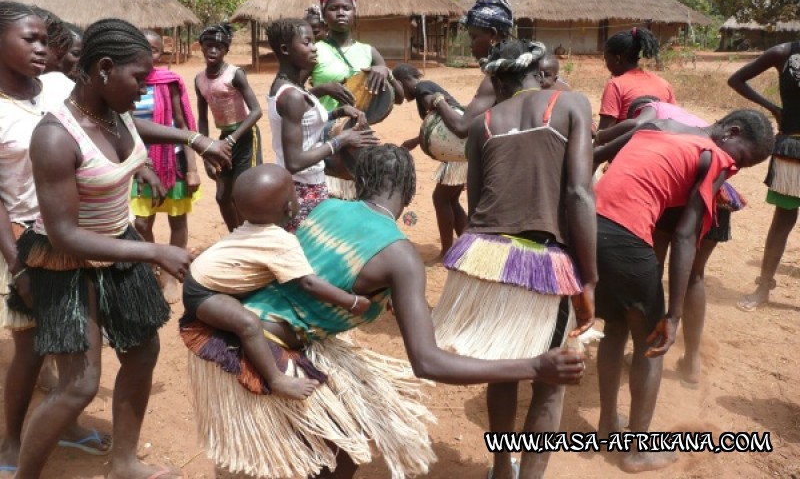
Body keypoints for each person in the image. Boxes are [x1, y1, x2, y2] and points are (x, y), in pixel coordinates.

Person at [181, 144, 587, 479]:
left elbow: (319, 273)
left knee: (342, 446)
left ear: (359, 183)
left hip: (226, 328)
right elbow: (428, 363)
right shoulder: (400, 256)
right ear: (409, 192)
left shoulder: (322, 208)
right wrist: (535, 366)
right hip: (266, 350)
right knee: (339, 454)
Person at [11, 18, 230, 479]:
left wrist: (195, 138)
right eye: (139, 79)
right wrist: (155, 253)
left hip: (117, 243)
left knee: (142, 350)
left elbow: (138, 126)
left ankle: (125, 462)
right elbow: (66, 234)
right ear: (105, 69)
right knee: (79, 386)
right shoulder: (54, 137)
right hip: (66, 260)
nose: (145, 90)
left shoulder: (114, 110)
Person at [431, 40, 597, 479]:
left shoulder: (483, 122)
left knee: (502, 370)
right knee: (550, 383)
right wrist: (590, 279)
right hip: (542, 260)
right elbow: (580, 193)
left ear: (499, 81)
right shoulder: (572, 103)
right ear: (539, 73)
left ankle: (502, 468)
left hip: (484, 257)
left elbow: (478, 195)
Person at [593, 110, 773, 473]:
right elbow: (686, 235)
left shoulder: (657, 126)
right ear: (731, 132)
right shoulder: (715, 156)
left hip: (590, 223)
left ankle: (608, 423)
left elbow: (596, 155)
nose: (736, 167)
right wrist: (673, 315)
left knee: (614, 327)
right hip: (627, 235)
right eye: (743, 159)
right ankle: (635, 452)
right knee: (653, 343)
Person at [0, 2, 111, 474]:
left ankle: (64, 423)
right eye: (30, 40)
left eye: (46, 40)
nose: (42, 49)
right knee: (32, 347)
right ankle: (10, 444)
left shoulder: (63, 89)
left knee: (74, 342)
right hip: (27, 241)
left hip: (81, 237)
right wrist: (17, 263)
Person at [184, 164, 372, 400]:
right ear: (290, 206)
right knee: (249, 324)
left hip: (201, 276)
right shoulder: (281, 242)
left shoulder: (252, 228)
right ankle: (277, 379)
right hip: (203, 294)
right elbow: (309, 284)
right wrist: (351, 301)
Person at [595, 96, 747, 387]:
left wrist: (599, 135)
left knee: (651, 263)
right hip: (716, 192)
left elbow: (635, 128)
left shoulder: (653, 115)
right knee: (695, 276)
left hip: (685, 186)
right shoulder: (701, 126)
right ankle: (691, 361)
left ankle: (644, 338)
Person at [266, 18, 378, 232]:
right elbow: (295, 161)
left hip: (306, 184)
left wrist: (337, 112)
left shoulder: (289, 86)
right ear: (285, 49)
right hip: (301, 189)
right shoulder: (292, 96)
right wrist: (341, 140)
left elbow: (305, 124)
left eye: (313, 41)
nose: (314, 48)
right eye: (306, 42)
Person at [728, 42, 800, 310]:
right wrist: (774, 108)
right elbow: (737, 80)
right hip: (794, 149)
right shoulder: (783, 53)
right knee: (783, 220)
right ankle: (764, 286)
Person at [131, 30, 201, 303]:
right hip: (140, 163)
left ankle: (171, 275)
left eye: (155, 50)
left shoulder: (169, 81)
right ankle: (152, 265)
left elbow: (184, 127)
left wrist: (193, 167)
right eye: (144, 48)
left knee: (177, 219)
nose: (150, 54)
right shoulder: (126, 82)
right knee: (141, 222)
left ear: (162, 53)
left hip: (174, 162)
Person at [307, 0, 391, 200]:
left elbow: (396, 96)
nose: (341, 12)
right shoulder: (314, 51)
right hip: (323, 135)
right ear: (324, 15)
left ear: (355, 13)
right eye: (334, 8)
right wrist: (323, 88)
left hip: (359, 137)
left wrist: (384, 70)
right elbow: (293, 94)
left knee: (360, 199)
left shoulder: (368, 51)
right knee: (328, 200)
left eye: (346, 7)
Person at [195, 22, 263, 230]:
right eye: (208, 45)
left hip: (245, 135)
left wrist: (232, 140)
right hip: (224, 139)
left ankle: (251, 236)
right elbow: (203, 118)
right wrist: (206, 152)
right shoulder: (199, 80)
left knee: (243, 192)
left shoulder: (235, 75)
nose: (213, 50)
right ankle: (235, 234)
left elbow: (256, 111)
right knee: (223, 196)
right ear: (202, 47)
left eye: (218, 47)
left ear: (226, 50)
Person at [395, 63, 468, 257]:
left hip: (456, 149)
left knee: (441, 198)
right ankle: (467, 246)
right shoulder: (424, 88)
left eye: (397, 86)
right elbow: (438, 124)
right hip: (458, 148)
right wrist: (416, 141)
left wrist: (431, 102)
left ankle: (447, 250)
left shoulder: (421, 89)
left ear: (403, 80)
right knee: (451, 200)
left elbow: (435, 107)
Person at [424, 0, 514, 139]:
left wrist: (438, 100)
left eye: (474, 37)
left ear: (492, 35)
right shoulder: (519, 63)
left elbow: (461, 127)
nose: (470, 44)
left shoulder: (497, 77)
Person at [598, 27, 675, 131]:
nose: (606, 65)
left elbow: (604, 134)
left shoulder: (616, 85)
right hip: (662, 144)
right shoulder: (664, 84)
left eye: (606, 59)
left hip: (628, 145)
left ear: (617, 59)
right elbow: (673, 121)